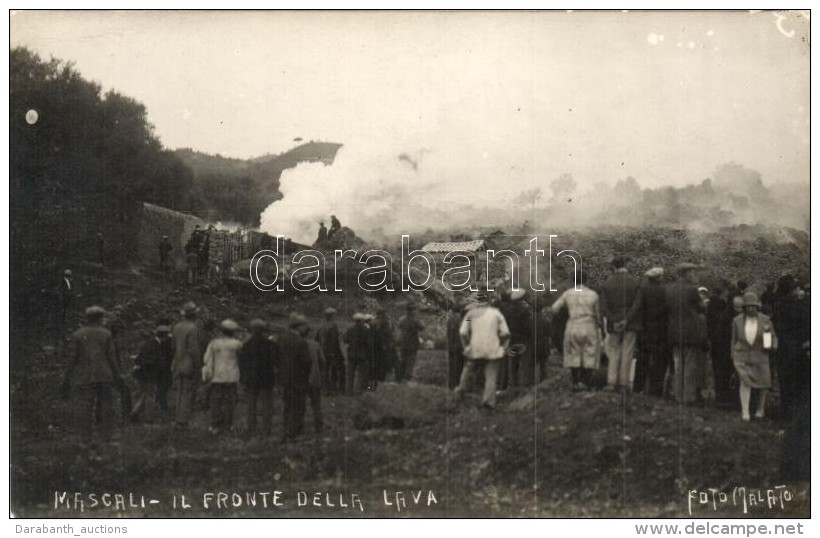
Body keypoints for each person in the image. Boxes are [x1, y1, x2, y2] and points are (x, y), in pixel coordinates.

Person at [61, 306, 126, 437]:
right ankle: (105, 434)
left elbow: (73, 358)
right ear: (100, 318)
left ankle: (86, 436)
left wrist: (67, 378)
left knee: (85, 406)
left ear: (87, 318)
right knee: (106, 406)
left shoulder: (78, 334)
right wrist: (118, 375)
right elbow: (111, 357)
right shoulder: (106, 334)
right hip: (104, 374)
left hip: (84, 375)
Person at [454, 289, 511, 409]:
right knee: (491, 376)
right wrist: (503, 348)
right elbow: (506, 333)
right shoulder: (496, 314)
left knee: (468, 367)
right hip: (492, 349)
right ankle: (488, 402)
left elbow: (463, 332)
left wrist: (466, 347)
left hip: (475, 347)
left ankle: (460, 391)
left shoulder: (471, 315)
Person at [551, 272, 603, 391]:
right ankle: (584, 381)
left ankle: (575, 382)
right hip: (589, 325)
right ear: (586, 280)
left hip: (573, 325)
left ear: (573, 281)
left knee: (573, 353)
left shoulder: (568, 294)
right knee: (589, 352)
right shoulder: (593, 295)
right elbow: (597, 315)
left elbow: (554, 308)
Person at [731, 293, 777, 422]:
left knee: (763, 383)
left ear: (758, 307)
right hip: (742, 355)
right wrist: (733, 354)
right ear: (744, 307)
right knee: (745, 382)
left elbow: (772, 336)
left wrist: (772, 345)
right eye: (748, 306)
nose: (751, 309)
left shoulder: (766, 320)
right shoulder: (737, 320)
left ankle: (760, 410)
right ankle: (745, 412)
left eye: (754, 306)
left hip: (760, 355)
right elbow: (734, 339)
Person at [665, 263, 707, 405]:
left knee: (677, 365)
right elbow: (701, 307)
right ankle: (688, 397)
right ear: (685, 273)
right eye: (692, 272)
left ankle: (678, 396)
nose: (694, 275)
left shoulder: (669, 289)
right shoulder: (691, 290)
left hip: (673, 331)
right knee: (690, 365)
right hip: (690, 332)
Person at [771, 275, 811, 422]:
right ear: (792, 290)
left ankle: (786, 418)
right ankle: (800, 419)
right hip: (800, 350)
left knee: (786, 386)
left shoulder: (778, 306)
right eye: (796, 287)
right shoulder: (803, 305)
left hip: (785, 351)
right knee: (802, 386)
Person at [599, 256, 641, 393]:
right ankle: (623, 384)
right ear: (626, 264)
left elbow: (604, 306)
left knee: (614, 352)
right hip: (630, 322)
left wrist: (613, 320)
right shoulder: (634, 282)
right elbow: (637, 305)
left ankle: (611, 382)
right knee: (627, 352)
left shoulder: (607, 283)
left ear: (614, 266)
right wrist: (626, 319)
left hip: (614, 323)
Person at [202, 319, 242, 434]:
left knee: (216, 401)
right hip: (232, 376)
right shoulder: (237, 344)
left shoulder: (214, 343)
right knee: (230, 400)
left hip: (217, 375)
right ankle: (228, 424)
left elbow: (206, 358)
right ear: (233, 331)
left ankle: (215, 425)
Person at [239, 319, 277, 436]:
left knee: (251, 405)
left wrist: (242, 378)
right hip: (266, 379)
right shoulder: (270, 345)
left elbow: (242, 363)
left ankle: (251, 428)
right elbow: (275, 362)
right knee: (266, 405)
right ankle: (266, 430)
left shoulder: (246, 345)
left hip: (251, 379)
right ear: (263, 330)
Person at [278, 313, 312, 441]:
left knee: (288, 406)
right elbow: (307, 362)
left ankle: (287, 430)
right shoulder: (301, 342)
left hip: (285, 378)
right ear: (298, 327)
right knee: (298, 406)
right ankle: (294, 432)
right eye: (304, 326)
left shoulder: (282, 339)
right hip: (298, 378)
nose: (306, 329)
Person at [130, 323, 174, 421]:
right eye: (167, 337)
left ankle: (134, 414)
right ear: (163, 336)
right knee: (149, 396)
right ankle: (148, 419)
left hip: (145, 374)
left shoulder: (154, 343)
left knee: (145, 396)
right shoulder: (153, 345)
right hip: (146, 375)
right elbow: (144, 360)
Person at [637, 267, 669, 396]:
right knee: (659, 360)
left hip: (645, 328)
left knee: (643, 358)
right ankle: (656, 390)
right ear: (659, 278)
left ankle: (638, 387)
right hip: (661, 329)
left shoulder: (642, 289)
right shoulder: (664, 290)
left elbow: (638, 308)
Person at [171, 302, 202, 430]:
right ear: (194, 315)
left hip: (178, 363)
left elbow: (173, 346)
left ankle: (178, 419)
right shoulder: (193, 328)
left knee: (179, 392)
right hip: (189, 365)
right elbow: (194, 350)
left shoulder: (177, 327)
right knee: (188, 393)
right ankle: (183, 421)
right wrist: (197, 365)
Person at [499, 289, 535, 389]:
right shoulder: (525, 310)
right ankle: (523, 385)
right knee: (524, 362)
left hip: (512, 339)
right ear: (521, 299)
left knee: (512, 362)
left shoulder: (507, 310)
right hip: (523, 339)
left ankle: (513, 384)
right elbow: (528, 326)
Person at [706, 286, 733, 407]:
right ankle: (725, 396)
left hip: (715, 343)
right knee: (726, 370)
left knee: (718, 370)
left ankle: (719, 395)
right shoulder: (724, 312)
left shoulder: (710, 309)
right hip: (724, 345)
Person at [345, 312, 376, 394]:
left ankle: (349, 391)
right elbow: (369, 343)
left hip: (351, 353)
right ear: (362, 320)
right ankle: (359, 391)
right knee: (361, 373)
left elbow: (345, 340)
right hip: (362, 354)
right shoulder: (366, 329)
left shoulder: (350, 329)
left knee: (350, 374)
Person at [303, 327, 326, 434]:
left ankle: (299, 426)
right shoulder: (316, 344)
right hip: (315, 377)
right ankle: (319, 425)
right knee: (316, 403)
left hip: (302, 378)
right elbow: (322, 360)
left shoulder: (299, 343)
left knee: (300, 403)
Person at [317, 307, 345, 394]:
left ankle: (325, 389)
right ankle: (333, 389)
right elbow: (334, 340)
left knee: (324, 370)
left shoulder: (321, 325)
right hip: (332, 351)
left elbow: (317, 338)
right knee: (334, 370)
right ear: (332, 316)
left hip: (322, 350)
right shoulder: (333, 325)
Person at [396, 303, 424, 382]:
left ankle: (400, 376)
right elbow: (422, 328)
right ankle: (407, 377)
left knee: (403, 359)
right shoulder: (415, 320)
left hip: (403, 341)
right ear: (413, 311)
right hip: (412, 342)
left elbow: (399, 327)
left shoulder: (401, 319)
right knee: (411, 360)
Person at [372, 306, 396, 382]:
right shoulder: (386, 321)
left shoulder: (374, 321)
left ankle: (377, 377)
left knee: (377, 361)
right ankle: (383, 377)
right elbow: (390, 331)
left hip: (375, 345)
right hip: (385, 344)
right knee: (385, 361)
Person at [446, 302, 465, 389]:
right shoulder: (461, 320)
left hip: (450, 346)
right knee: (458, 367)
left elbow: (448, 334)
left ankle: (451, 385)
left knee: (451, 367)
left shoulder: (449, 320)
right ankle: (457, 385)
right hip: (459, 347)